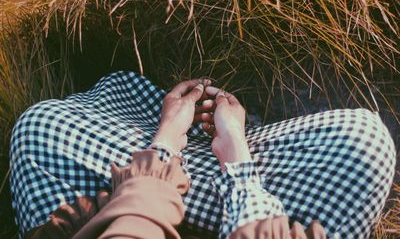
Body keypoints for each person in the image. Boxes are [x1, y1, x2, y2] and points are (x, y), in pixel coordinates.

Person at [10, 72, 396, 238]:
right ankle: (206, 172)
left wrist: (165, 141)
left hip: (136, 210)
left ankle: (178, 178)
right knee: (365, 143)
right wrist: (235, 155)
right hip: (255, 219)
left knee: (37, 129)